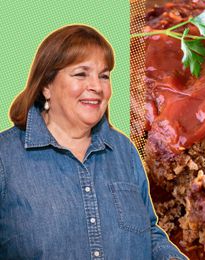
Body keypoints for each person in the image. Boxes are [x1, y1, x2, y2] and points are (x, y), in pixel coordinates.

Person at [0, 25, 186, 260]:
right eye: (81, 74)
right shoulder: (5, 157)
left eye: (104, 75)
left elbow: (148, 234)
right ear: (46, 85)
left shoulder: (123, 150)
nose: (97, 87)